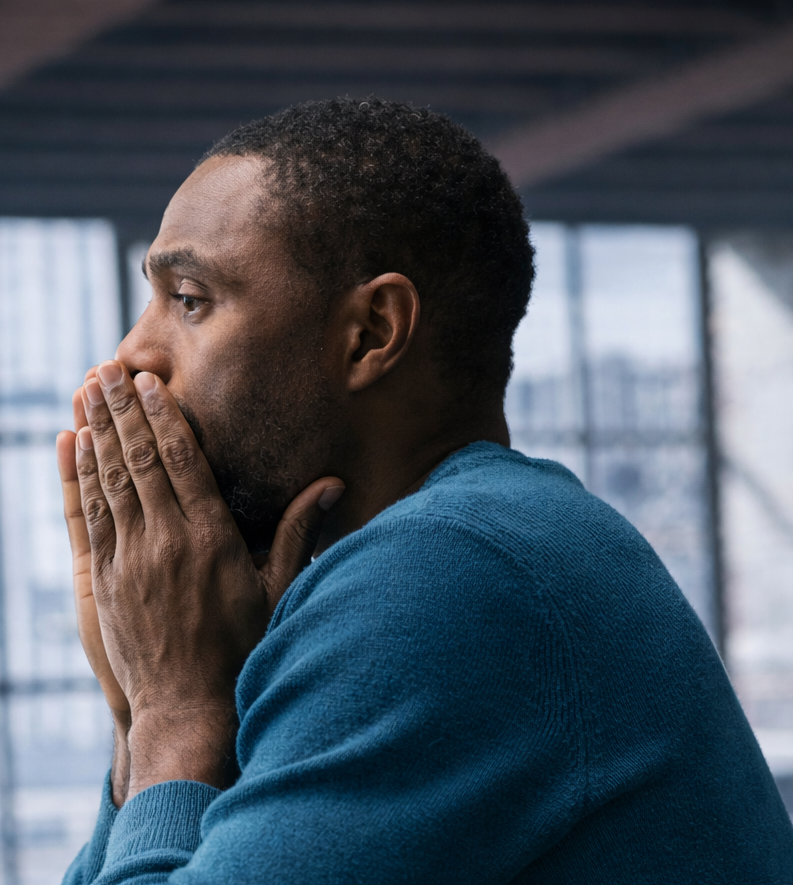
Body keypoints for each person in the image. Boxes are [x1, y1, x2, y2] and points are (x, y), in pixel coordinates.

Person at [54, 98, 793, 884]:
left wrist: (174, 709)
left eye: (190, 299)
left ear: (373, 332)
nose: (133, 352)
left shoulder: (452, 570)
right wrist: (141, 719)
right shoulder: (471, 544)